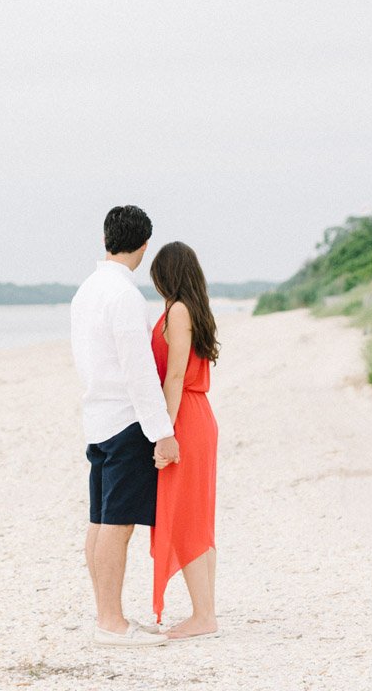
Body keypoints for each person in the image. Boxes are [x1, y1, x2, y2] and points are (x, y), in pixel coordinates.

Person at [70, 204, 177, 647]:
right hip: (124, 421)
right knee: (118, 524)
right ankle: (111, 622)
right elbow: (140, 371)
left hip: (96, 418)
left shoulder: (86, 291)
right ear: (145, 245)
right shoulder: (125, 296)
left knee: (100, 520)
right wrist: (163, 431)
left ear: (105, 239)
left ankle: (105, 616)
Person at [148, 240, 220, 640]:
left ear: (168, 275)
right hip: (200, 413)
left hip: (186, 418)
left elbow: (174, 376)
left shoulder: (177, 310)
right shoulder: (196, 308)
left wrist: (165, 432)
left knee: (188, 516)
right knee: (199, 514)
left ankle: (203, 617)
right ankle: (206, 610)